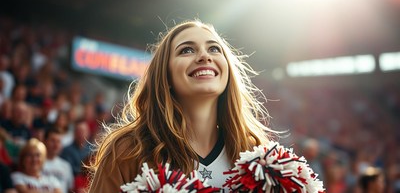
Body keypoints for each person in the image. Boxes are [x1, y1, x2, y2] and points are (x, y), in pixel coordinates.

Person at [88, 20, 273, 192]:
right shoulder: (128, 151)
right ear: (165, 76)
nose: (204, 56)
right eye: (186, 50)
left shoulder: (258, 157)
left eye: (214, 49)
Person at [43, 128, 74, 193]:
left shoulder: (66, 165)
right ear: (44, 141)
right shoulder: (36, 163)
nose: (56, 145)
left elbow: (70, 189)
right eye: (52, 141)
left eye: (58, 141)